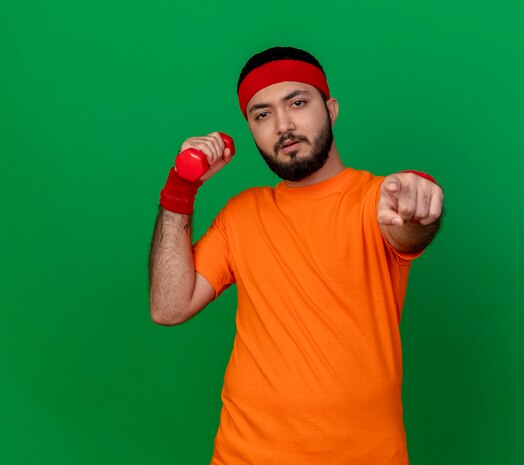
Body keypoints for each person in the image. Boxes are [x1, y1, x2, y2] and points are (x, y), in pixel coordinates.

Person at [149, 46, 444, 465]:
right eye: (262, 114)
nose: (283, 126)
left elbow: (409, 226)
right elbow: (168, 306)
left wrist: (417, 196)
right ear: (250, 129)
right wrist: (180, 188)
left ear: (331, 109)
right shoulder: (241, 214)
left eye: (298, 103)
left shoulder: (375, 201)